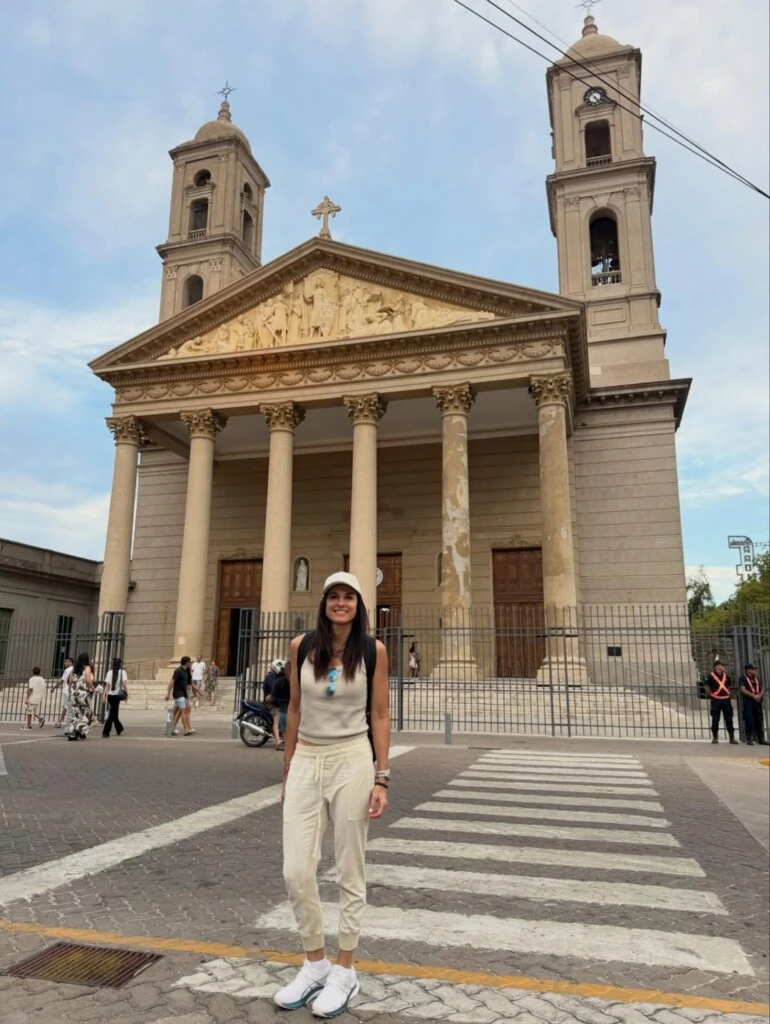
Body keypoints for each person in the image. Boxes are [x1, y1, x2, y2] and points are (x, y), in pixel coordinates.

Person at [273, 572, 390, 1018]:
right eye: (333, 597)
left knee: (348, 868)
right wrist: (287, 770)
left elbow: (379, 714)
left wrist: (382, 777)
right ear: (323, 603)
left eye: (349, 597)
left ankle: (345, 969)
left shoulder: (373, 651)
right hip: (306, 759)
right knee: (295, 871)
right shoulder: (302, 646)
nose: (341, 603)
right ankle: (314, 961)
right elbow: (296, 708)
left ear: (358, 605)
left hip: (352, 760)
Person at [707, 658, 738, 745]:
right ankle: (715, 737)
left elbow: (728, 686)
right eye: (722, 665)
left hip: (726, 699)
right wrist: (711, 695)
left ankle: (731, 737)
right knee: (715, 718)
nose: (724, 667)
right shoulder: (711, 676)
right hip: (716, 700)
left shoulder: (726, 676)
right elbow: (707, 686)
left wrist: (728, 694)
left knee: (729, 718)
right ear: (717, 666)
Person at [67, 653, 95, 740]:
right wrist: (93, 688)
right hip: (83, 693)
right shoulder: (87, 668)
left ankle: (72, 733)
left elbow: (70, 681)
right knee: (87, 713)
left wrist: (70, 690)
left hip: (74, 692)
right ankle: (79, 730)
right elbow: (88, 680)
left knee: (76, 713)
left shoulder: (74, 669)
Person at [263, 659, 289, 748]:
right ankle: (278, 741)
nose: (282, 670)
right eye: (281, 668)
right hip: (272, 703)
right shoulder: (270, 677)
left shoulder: (277, 677)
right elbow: (273, 691)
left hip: (278, 702)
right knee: (277, 721)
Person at [166, 657, 195, 736]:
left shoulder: (185, 672)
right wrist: (168, 693)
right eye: (190, 662)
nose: (190, 663)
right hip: (178, 694)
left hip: (183, 695)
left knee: (177, 712)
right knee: (183, 712)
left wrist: (186, 697)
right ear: (186, 662)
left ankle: (172, 728)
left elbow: (185, 685)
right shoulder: (178, 671)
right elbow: (172, 682)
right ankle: (186, 730)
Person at [739, 664, 767, 745]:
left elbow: (762, 688)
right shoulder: (743, 678)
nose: (755, 670)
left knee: (759, 720)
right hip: (749, 702)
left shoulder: (757, 678)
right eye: (753, 669)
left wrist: (760, 695)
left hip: (757, 702)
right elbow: (743, 689)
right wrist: (753, 696)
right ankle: (749, 739)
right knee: (749, 720)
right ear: (748, 670)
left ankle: (761, 739)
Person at [102, 658, 128, 738]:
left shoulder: (109, 672)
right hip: (117, 695)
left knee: (114, 713)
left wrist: (104, 695)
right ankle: (106, 731)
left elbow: (107, 685)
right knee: (112, 713)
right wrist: (127, 694)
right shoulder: (122, 672)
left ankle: (119, 728)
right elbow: (124, 684)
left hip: (110, 695)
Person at [52, 657, 74, 729]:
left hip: (67, 689)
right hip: (73, 690)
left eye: (67, 662)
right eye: (65, 662)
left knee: (66, 707)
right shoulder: (75, 669)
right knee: (69, 707)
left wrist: (54, 687)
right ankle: (60, 721)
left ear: (71, 662)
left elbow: (62, 680)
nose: (65, 664)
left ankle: (60, 722)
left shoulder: (67, 670)